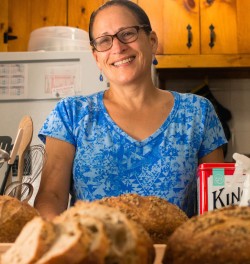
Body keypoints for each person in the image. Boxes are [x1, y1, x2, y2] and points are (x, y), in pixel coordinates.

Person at [34, 0, 227, 220]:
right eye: (104, 40)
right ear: (97, 57)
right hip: (92, 252)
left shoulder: (198, 112)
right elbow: (50, 196)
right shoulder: (70, 114)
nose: (117, 47)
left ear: (152, 41)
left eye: (127, 34)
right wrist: (56, 236)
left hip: (173, 253)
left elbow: (217, 196)